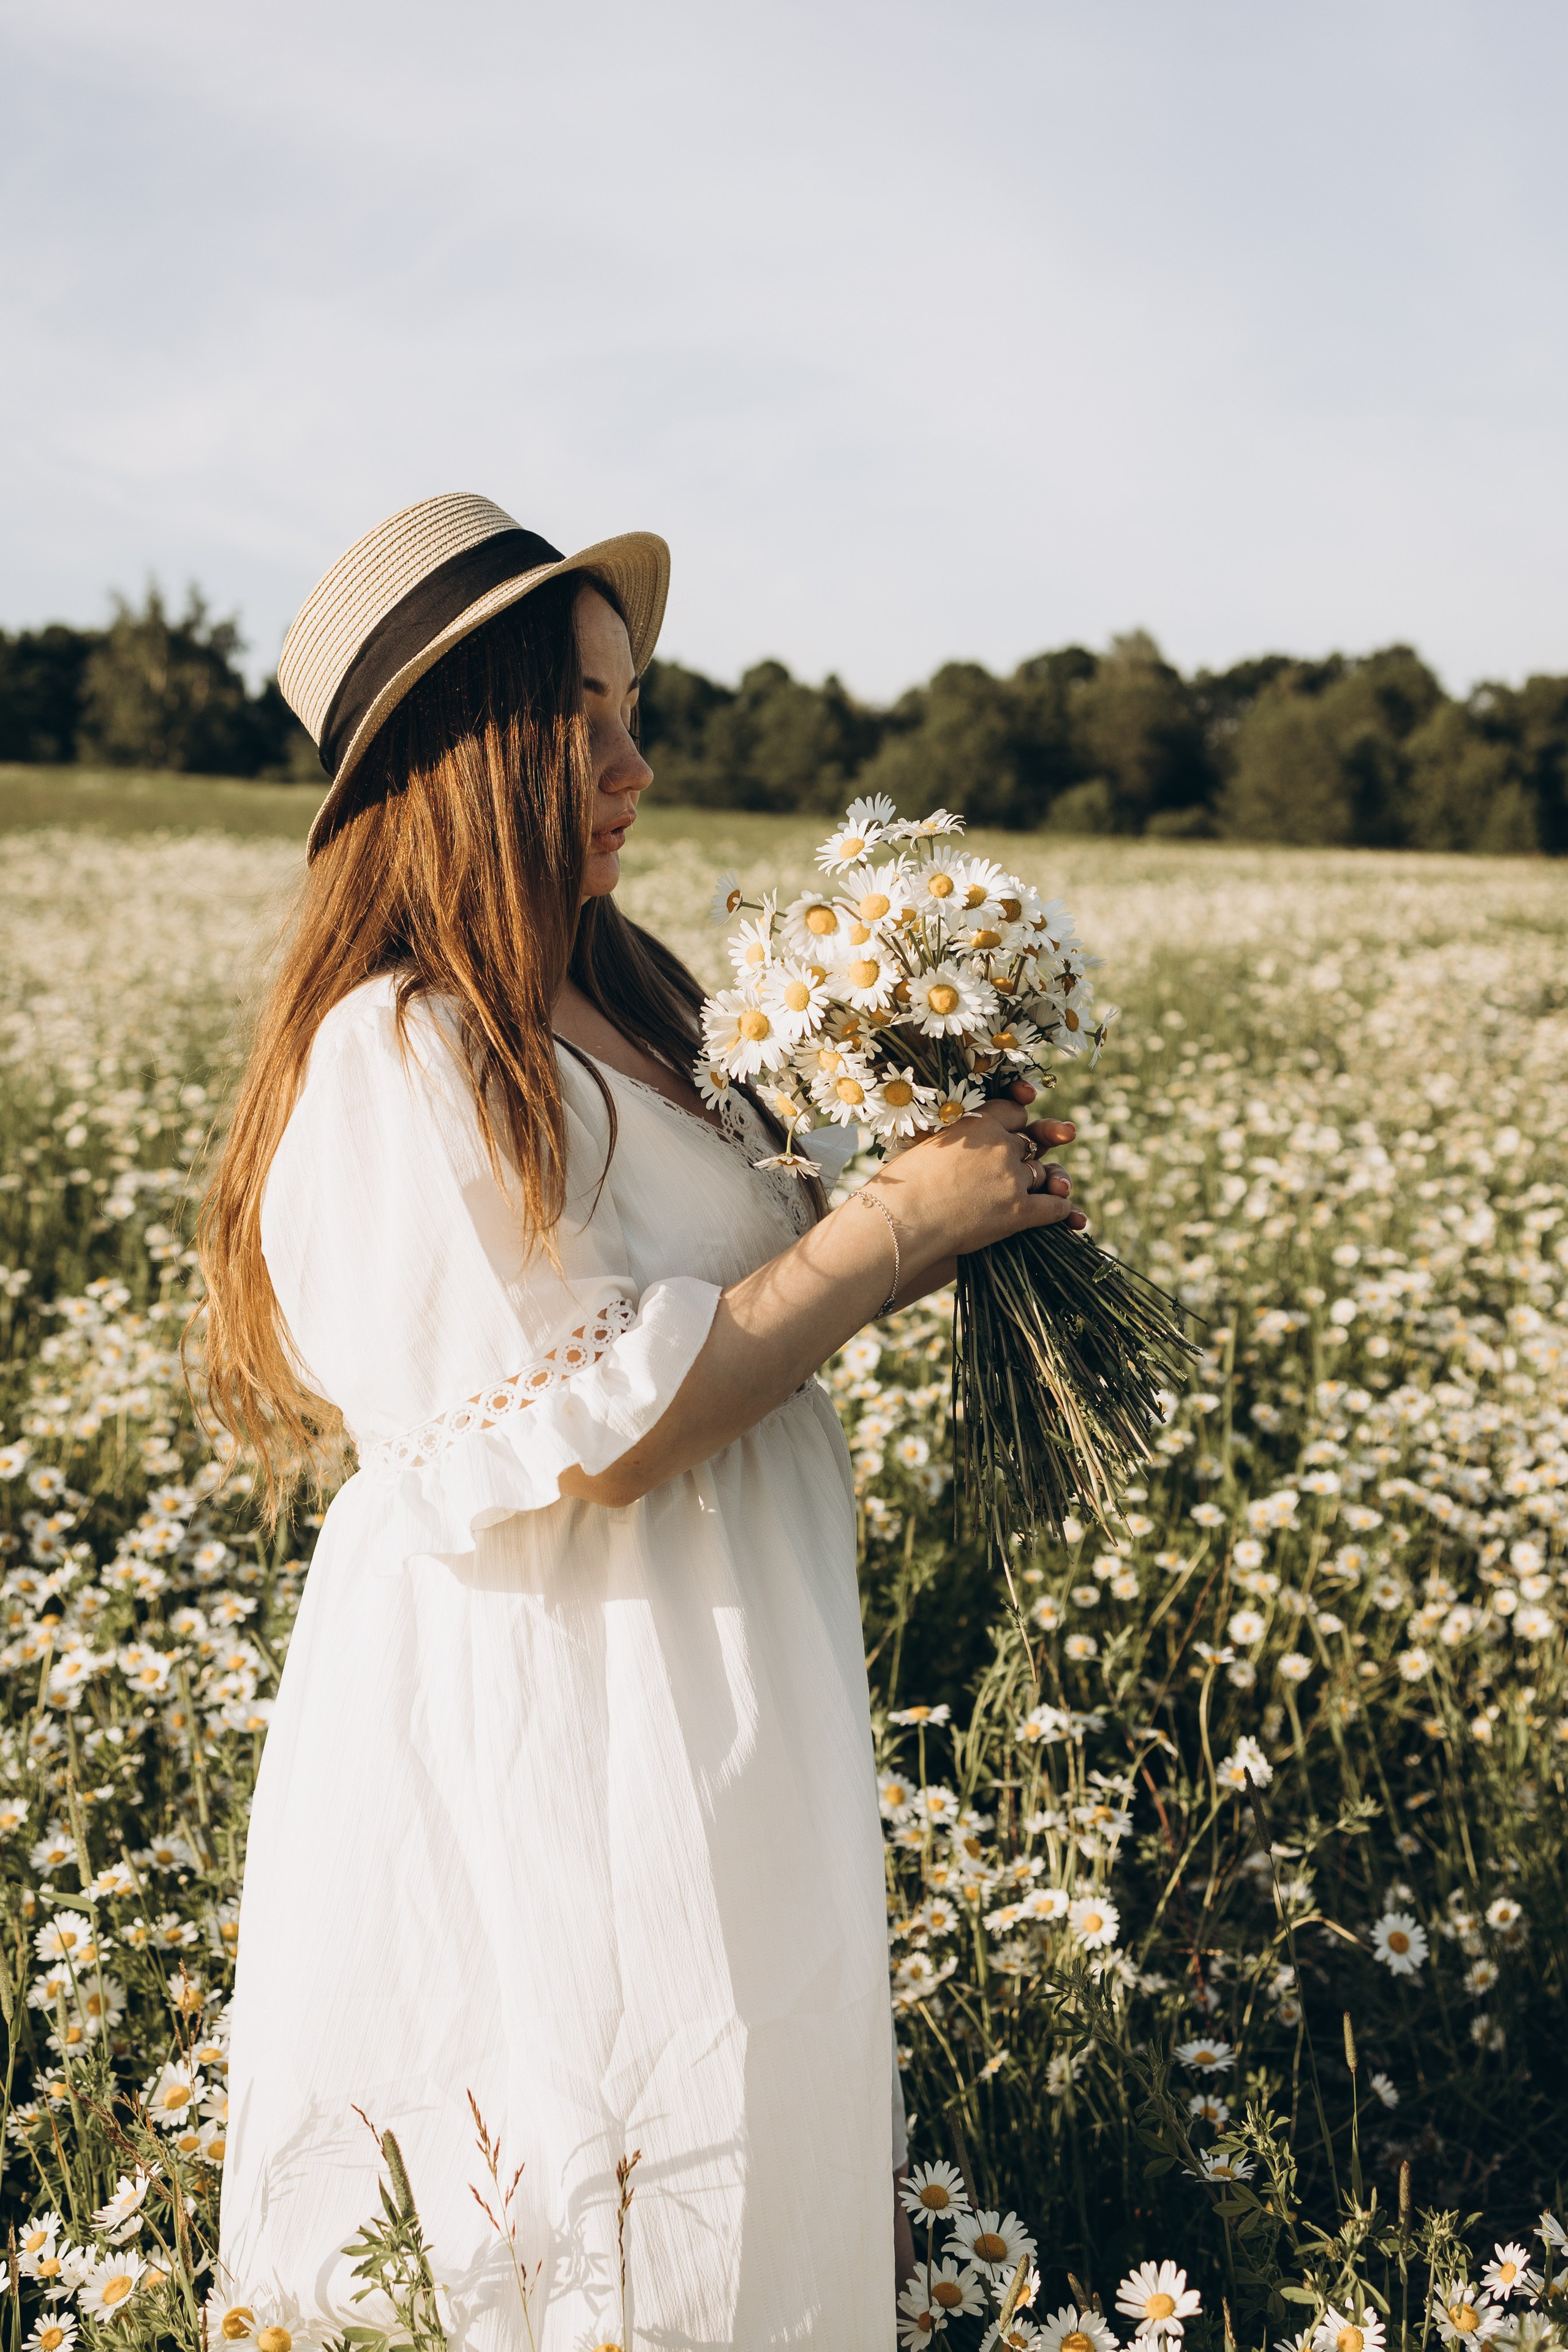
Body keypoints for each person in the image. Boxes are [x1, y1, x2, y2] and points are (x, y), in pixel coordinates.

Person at [201, 494, 1085, 2348]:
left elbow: (754, 1289)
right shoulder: (399, 1054)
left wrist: (945, 1147)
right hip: (558, 1699)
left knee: (739, 2123)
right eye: (582, 720)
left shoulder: (624, 991)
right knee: (584, 2171)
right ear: (469, 757)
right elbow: (595, 1432)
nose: (636, 760)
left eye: (626, 707)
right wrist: (897, 1229)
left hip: (717, 1666)